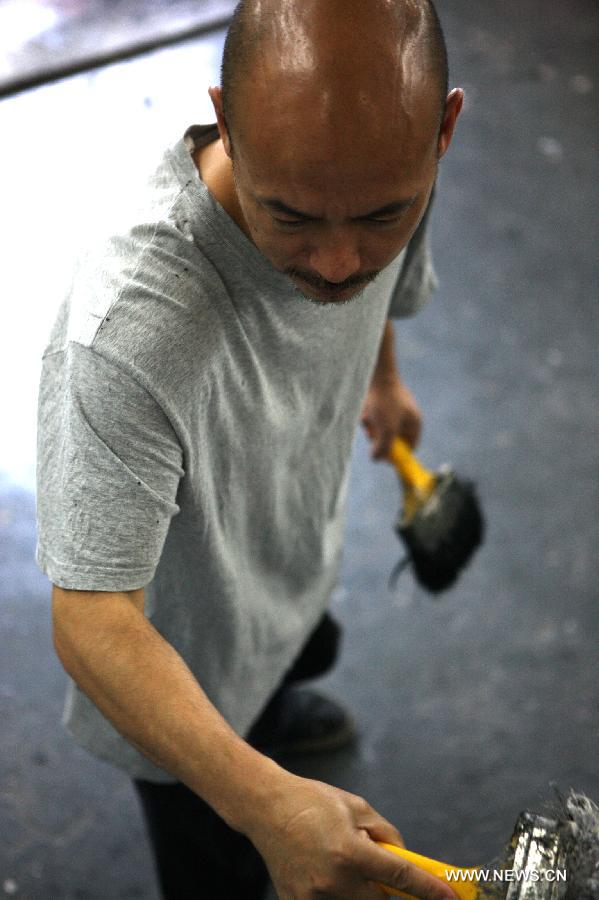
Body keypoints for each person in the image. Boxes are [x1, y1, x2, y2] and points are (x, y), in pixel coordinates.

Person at [36, 0, 463, 896]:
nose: (342, 264)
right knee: (223, 867)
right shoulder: (133, 331)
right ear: (225, 121)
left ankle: (276, 714)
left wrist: (382, 379)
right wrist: (261, 801)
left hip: (288, 554)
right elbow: (93, 617)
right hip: (181, 678)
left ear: (441, 133)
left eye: (382, 220)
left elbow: (362, 277)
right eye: (293, 219)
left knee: (293, 656)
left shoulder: (378, 160)